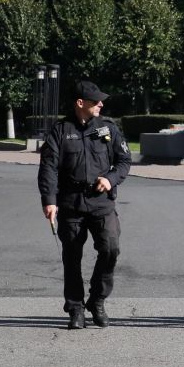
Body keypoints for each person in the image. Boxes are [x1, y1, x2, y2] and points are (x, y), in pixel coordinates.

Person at [37, 80, 132, 330]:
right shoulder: (60, 131)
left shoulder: (108, 128)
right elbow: (48, 168)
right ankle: (75, 308)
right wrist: (49, 201)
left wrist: (110, 179)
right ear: (80, 103)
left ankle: (97, 300)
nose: (101, 104)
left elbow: (124, 160)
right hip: (71, 203)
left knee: (110, 249)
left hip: (101, 202)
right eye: (95, 101)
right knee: (72, 258)